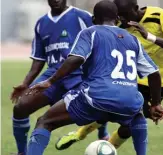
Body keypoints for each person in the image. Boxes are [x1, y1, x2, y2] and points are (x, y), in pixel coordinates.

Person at [25, 1, 163, 155]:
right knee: (137, 115)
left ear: (93, 19)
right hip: (127, 100)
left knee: (44, 122)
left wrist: (50, 81)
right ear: (117, 19)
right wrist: (156, 104)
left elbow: (75, 59)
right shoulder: (132, 40)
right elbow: (154, 73)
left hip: (95, 98)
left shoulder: (90, 32)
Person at [55, 0, 163, 150]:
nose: (121, 20)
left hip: (156, 81)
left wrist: (148, 36)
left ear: (136, 8)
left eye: (124, 15)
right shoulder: (119, 28)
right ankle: (85, 137)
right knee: (117, 111)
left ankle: (104, 145)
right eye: (119, 16)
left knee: (127, 125)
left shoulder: (159, 16)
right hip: (128, 80)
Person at [10, 0, 107, 154]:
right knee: (21, 107)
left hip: (79, 74)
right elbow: (39, 59)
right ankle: (22, 152)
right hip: (52, 76)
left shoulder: (83, 17)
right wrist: (25, 83)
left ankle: (103, 136)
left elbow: (103, 40)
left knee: (97, 104)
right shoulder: (41, 23)